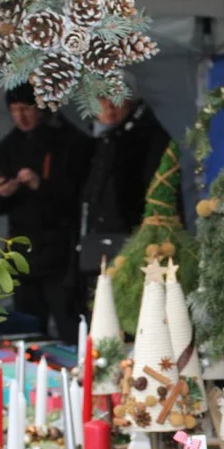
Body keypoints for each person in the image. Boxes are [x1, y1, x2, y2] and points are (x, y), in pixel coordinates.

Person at [0, 84, 89, 342]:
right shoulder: (7, 147)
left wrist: (41, 186)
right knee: (28, 326)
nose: (21, 117)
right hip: (23, 251)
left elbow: (82, 195)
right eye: (14, 111)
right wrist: (1, 194)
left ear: (41, 108)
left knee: (71, 324)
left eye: (26, 109)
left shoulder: (70, 142)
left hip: (62, 252)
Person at [78, 72, 174, 306]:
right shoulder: (100, 139)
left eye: (116, 98)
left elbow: (160, 200)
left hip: (135, 247)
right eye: (102, 98)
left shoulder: (149, 138)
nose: (109, 106)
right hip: (99, 246)